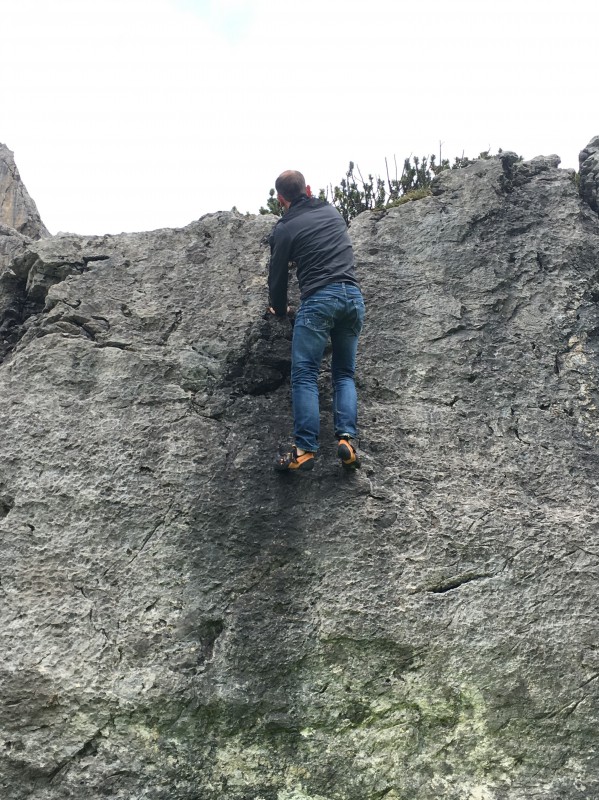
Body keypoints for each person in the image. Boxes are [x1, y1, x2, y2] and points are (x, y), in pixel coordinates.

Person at [267, 170, 365, 472]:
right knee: (344, 374)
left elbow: (278, 276)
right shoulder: (331, 210)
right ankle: (347, 439)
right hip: (353, 297)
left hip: (320, 299)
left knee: (305, 373)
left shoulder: (284, 228)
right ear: (308, 189)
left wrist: (280, 309)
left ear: (281, 199)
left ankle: (305, 449)